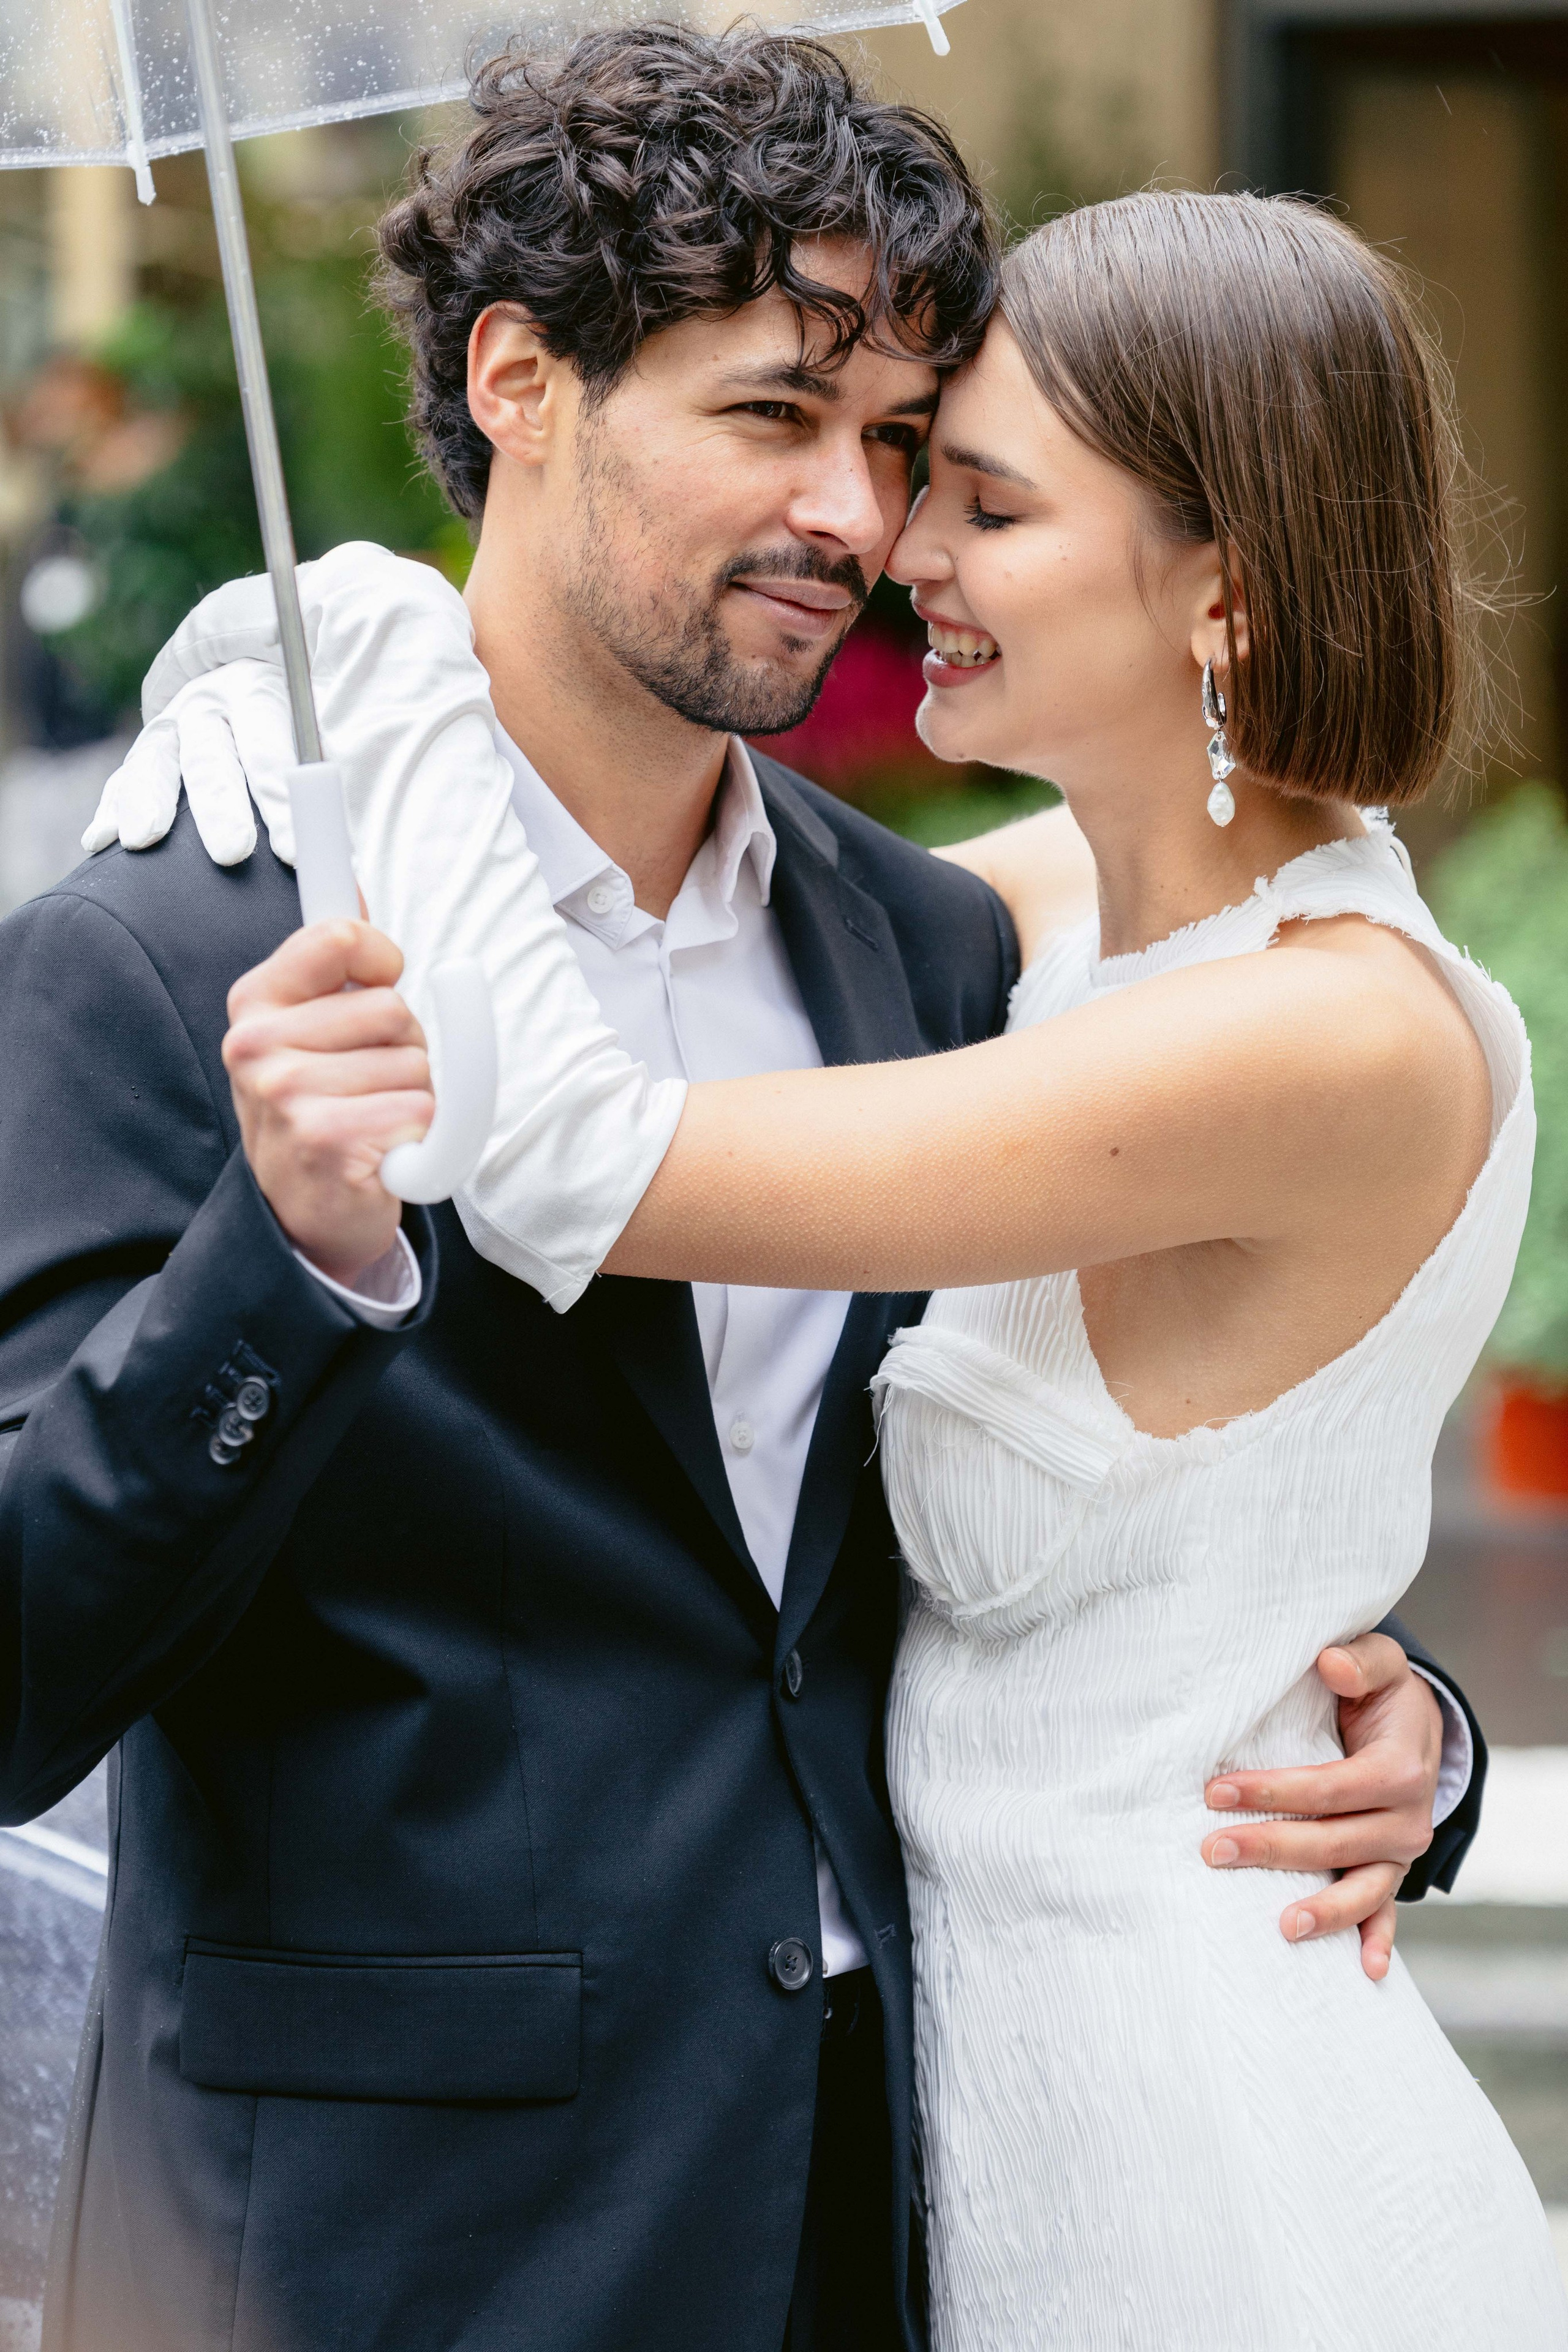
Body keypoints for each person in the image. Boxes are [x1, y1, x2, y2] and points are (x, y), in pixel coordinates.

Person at [28, 40, 1472, 2352]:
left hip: (903, 2209)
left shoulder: (928, 950)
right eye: (775, 413)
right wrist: (276, 1263)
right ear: (520, 379)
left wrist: (1385, 1720)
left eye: (908, 447)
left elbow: (1068, 1488)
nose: (864, 521)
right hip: (367, 2260)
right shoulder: (176, 946)